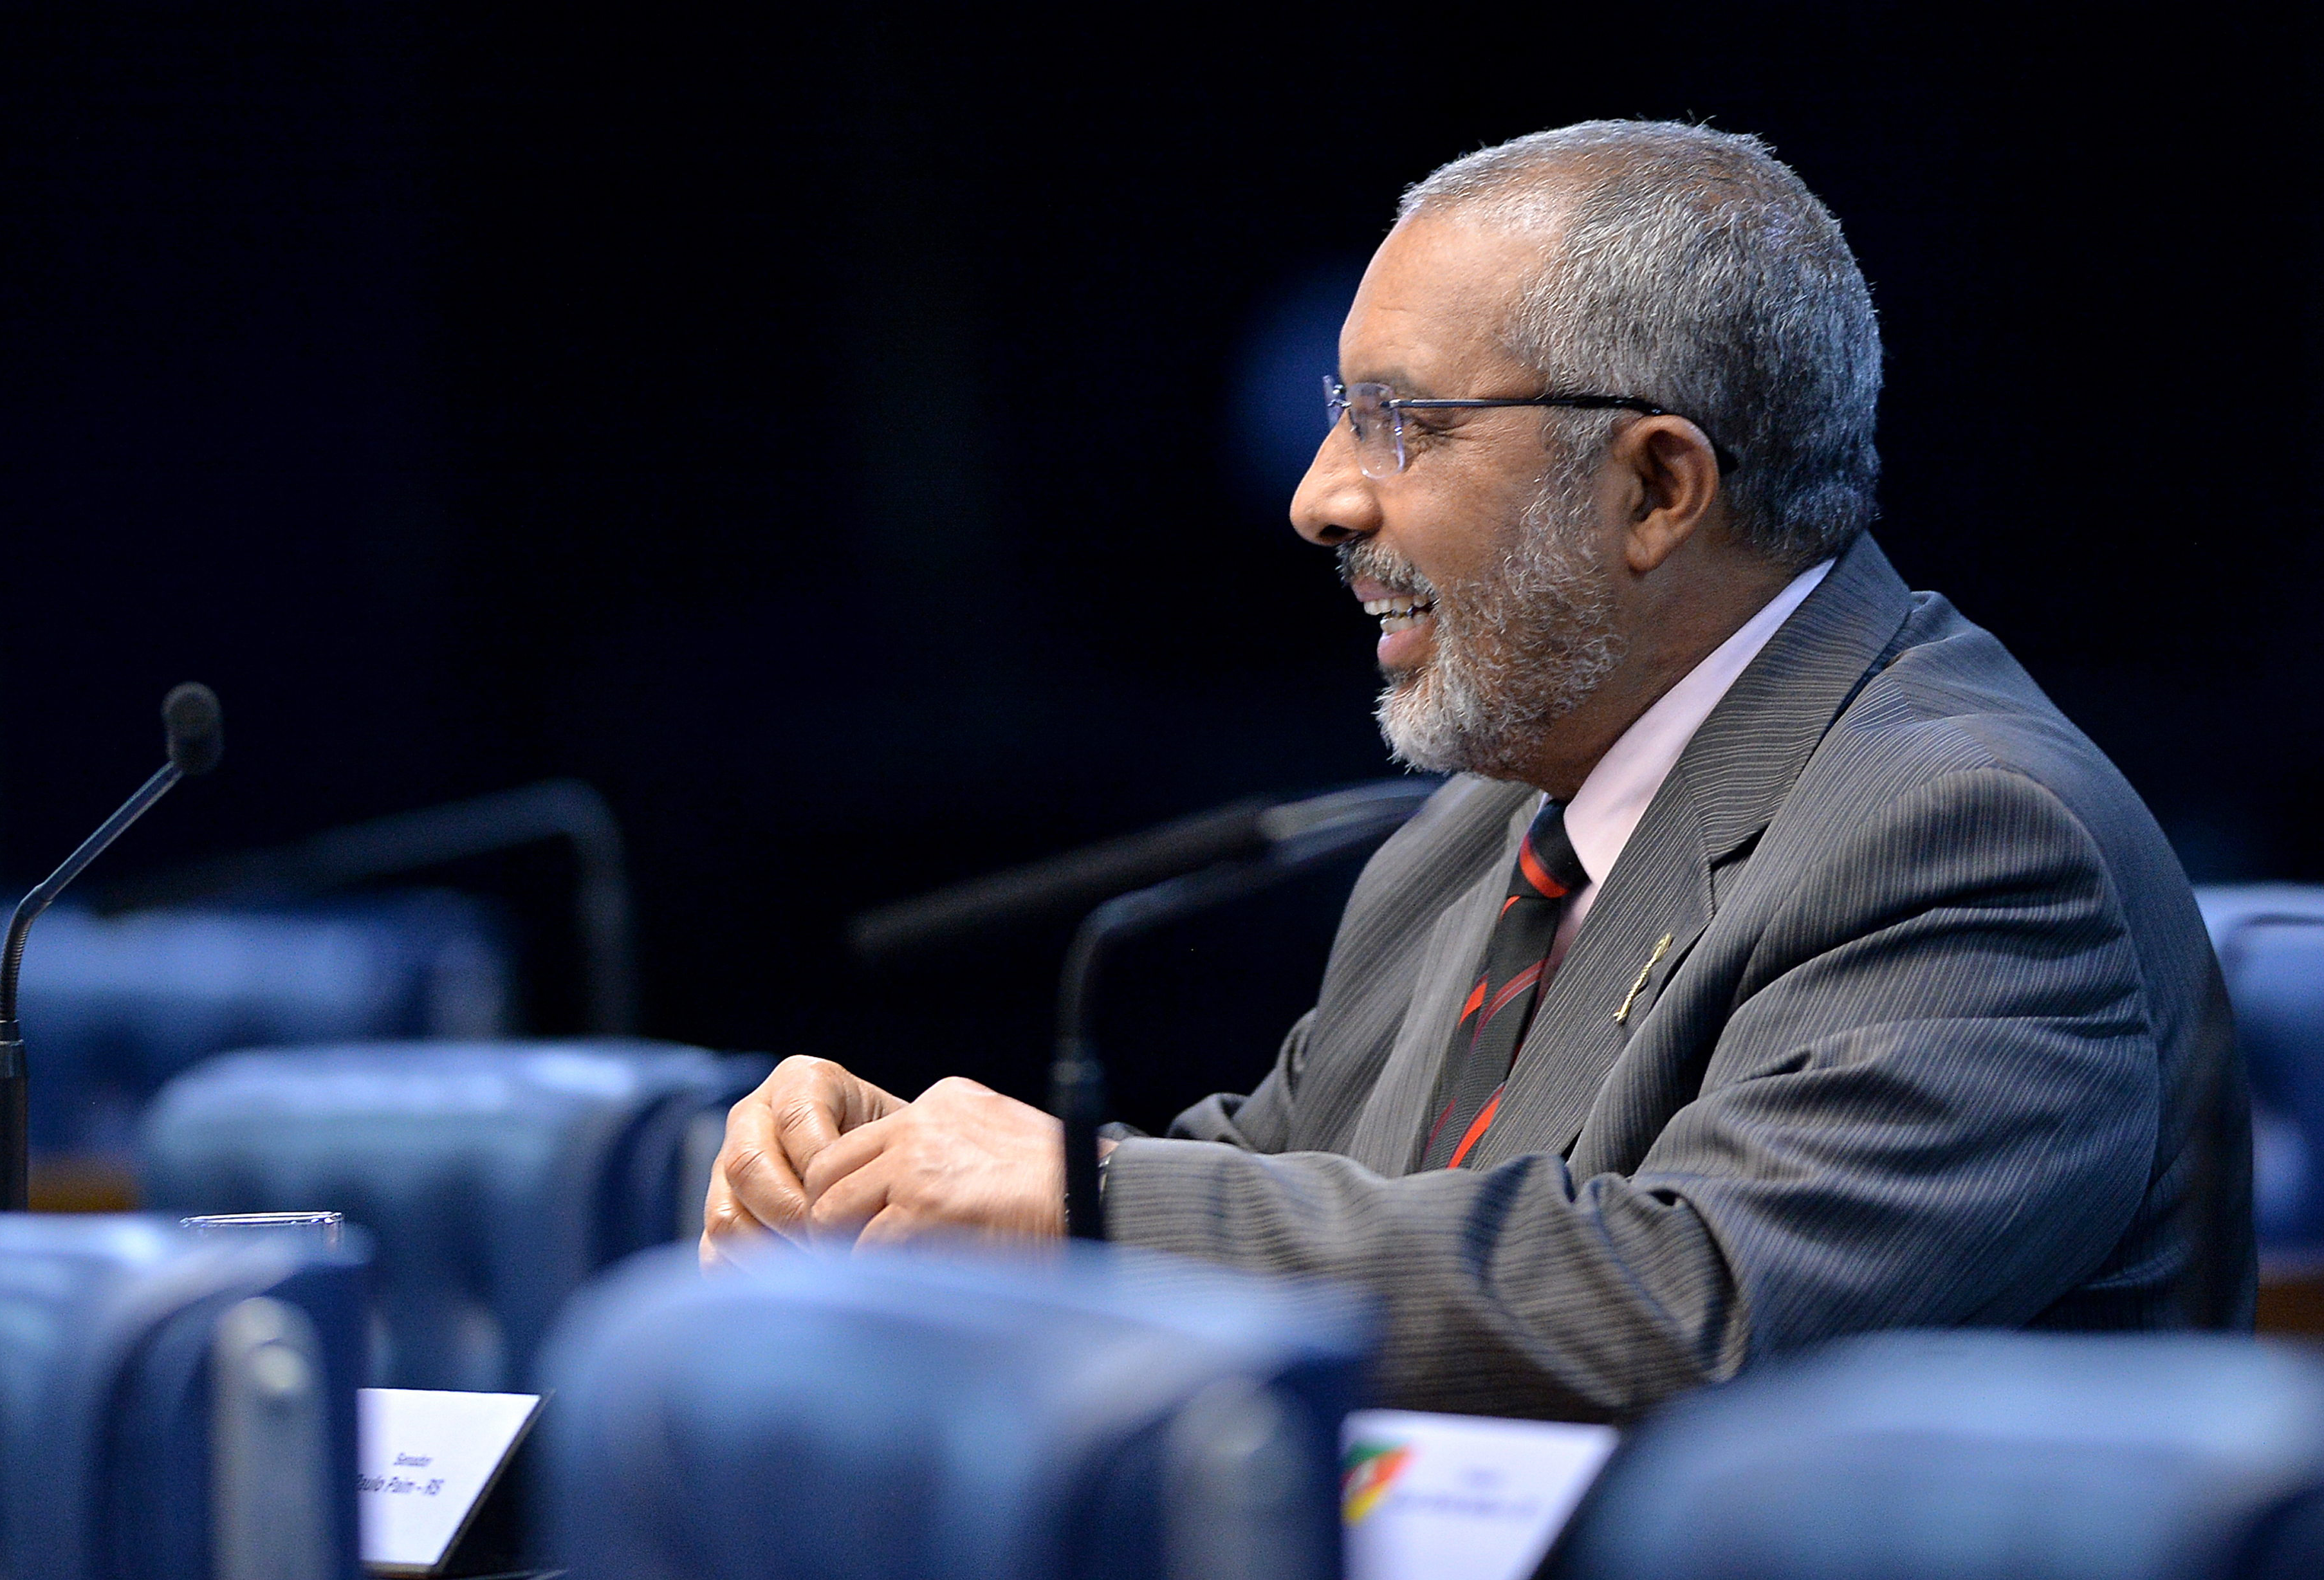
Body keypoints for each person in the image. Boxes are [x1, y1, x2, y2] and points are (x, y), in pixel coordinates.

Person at [701, 120, 2254, 1420]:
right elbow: (1272, 1182)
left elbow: (1695, 1311)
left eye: (1401, 427)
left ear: (1656, 486)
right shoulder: (1476, 838)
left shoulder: (1968, 835)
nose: (1321, 499)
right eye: (1338, 419)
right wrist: (904, 1181)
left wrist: (1083, 1199)